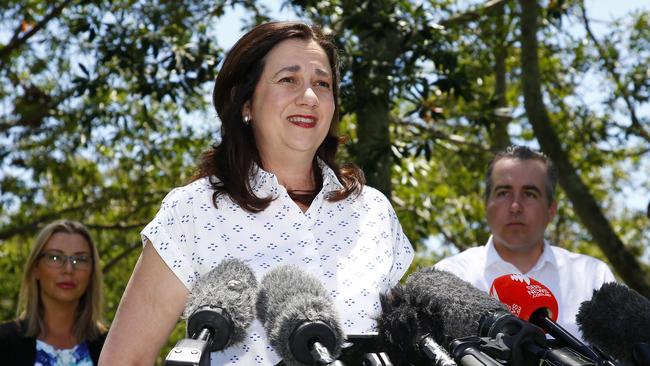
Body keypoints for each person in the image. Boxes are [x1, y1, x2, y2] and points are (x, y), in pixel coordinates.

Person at [99, 21, 414, 365]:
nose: (309, 97)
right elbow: (125, 359)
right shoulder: (193, 209)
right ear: (245, 102)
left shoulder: (372, 210)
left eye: (322, 84)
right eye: (288, 80)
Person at [435, 145, 616, 341]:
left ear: (551, 210)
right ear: (486, 204)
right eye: (504, 193)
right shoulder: (449, 276)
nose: (515, 207)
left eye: (530, 194)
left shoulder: (593, 277)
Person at [0, 220, 107, 365]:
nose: (68, 269)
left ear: (91, 272)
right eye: (55, 257)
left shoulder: (112, 345)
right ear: (36, 268)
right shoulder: (4, 343)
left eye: (80, 259)